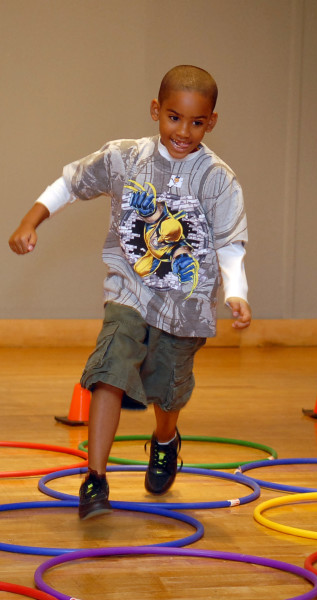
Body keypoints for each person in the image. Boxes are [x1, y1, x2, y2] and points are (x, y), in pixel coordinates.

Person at [9, 65, 251, 519]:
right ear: (156, 111)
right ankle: (95, 481)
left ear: (212, 122)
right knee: (110, 368)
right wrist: (30, 220)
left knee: (168, 391)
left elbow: (230, 242)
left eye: (196, 123)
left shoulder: (219, 179)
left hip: (186, 304)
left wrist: (236, 291)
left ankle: (165, 441)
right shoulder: (125, 158)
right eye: (174, 118)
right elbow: (70, 183)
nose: (183, 131)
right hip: (130, 288)